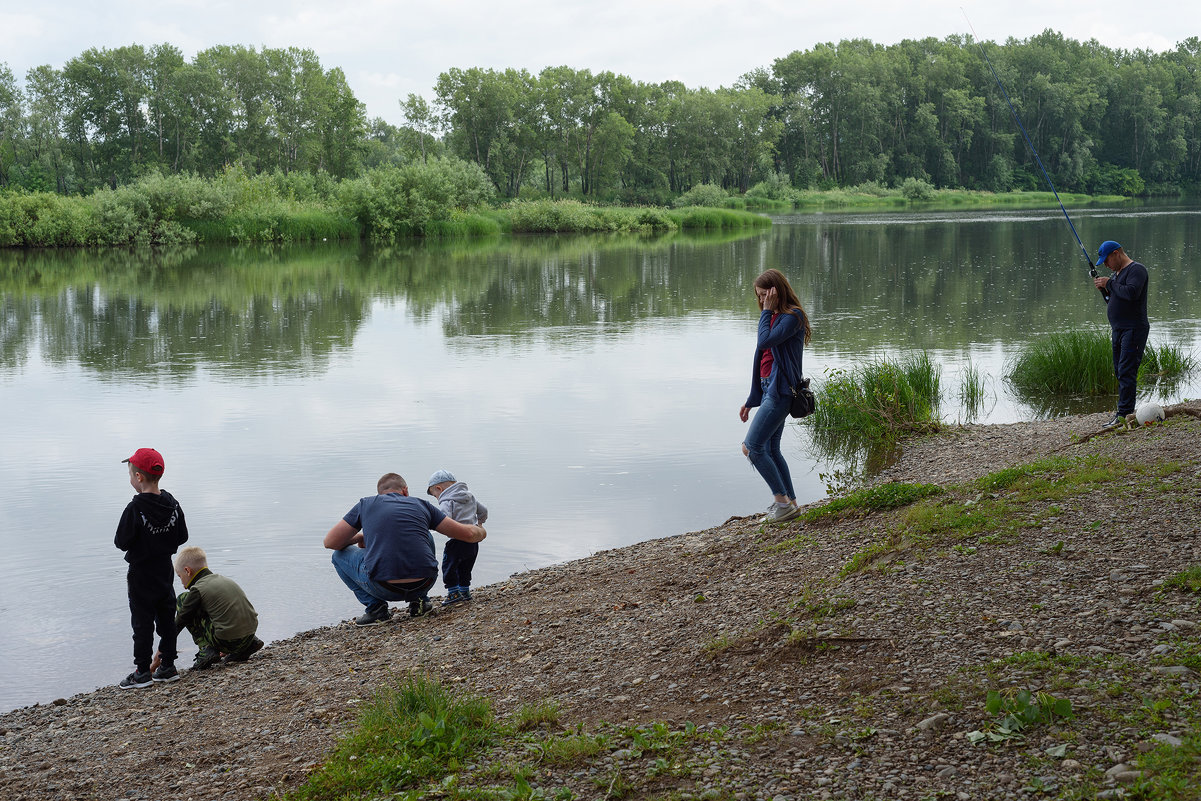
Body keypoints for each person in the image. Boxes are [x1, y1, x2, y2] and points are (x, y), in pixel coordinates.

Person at [324, 472, 487, 626]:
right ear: (405, 490)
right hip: (425, 582)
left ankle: (376, 609)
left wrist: (360, 537)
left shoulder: (365, 504)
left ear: (379, 494)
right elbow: (468, 535)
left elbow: (330, 542)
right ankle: (420, 601)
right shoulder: (422, 505)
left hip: (383, 587)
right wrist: (481, 530)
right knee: (425, 535)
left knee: (338, 556)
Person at [738, 269, 811, 523]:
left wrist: (767, 312)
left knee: (752, 448)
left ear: (775, 291)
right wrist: (751, 398)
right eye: (758, 298)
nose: (761, 302)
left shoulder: (793, 317)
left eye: (764, 296)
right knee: (770, 448)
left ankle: (781, 504)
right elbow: (762, 360)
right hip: (770, 388)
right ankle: (790, 503)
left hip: (780, 392)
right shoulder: (775, 317)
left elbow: (765, 342)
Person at [114, 448, 189, 689]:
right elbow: (182, 536)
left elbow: (121, 542)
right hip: (164, 571)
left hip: (141, 575)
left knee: (142, 623)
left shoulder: (134, 509)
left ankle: (142, 672)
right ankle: (168, 666)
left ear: (138, 477)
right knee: (167, 617)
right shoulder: (173, 504)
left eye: (130, 474)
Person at [174, 546, 262, 670]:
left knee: (182, 599)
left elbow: (179, 622)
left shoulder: (197, 589)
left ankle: (205, 651)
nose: (182, 584)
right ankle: (248, 645)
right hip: (249, 635)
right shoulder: (225, 580)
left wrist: (162, 651)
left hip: (228, 641)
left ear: (187, 571)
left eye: (180, 576)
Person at [1093, 240, 1150, 429]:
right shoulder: (1116, 275)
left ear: (1117, 253)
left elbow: (1132, 293)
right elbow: (1115, 299)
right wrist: (1105, 290)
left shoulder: (1137, 270)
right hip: (1119, 329)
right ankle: (1124, 413)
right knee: (1119, 370)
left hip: (1133, 328)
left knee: (1126, 370)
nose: (1106, 264)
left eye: (1107, 260)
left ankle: (1124, 415)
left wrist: (1110, 283)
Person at [426, 469, 489, 606]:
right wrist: (480, 523)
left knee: (449, 566)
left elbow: (443, 519)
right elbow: (483, 510)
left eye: (435, 495)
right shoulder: (469, 496)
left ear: (439, 488)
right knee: (466, 567)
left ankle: (453, 592)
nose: (437, 498)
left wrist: (429, 526)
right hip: (473, 542)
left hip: (457, 541)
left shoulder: (447, 501)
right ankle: (465, 591)